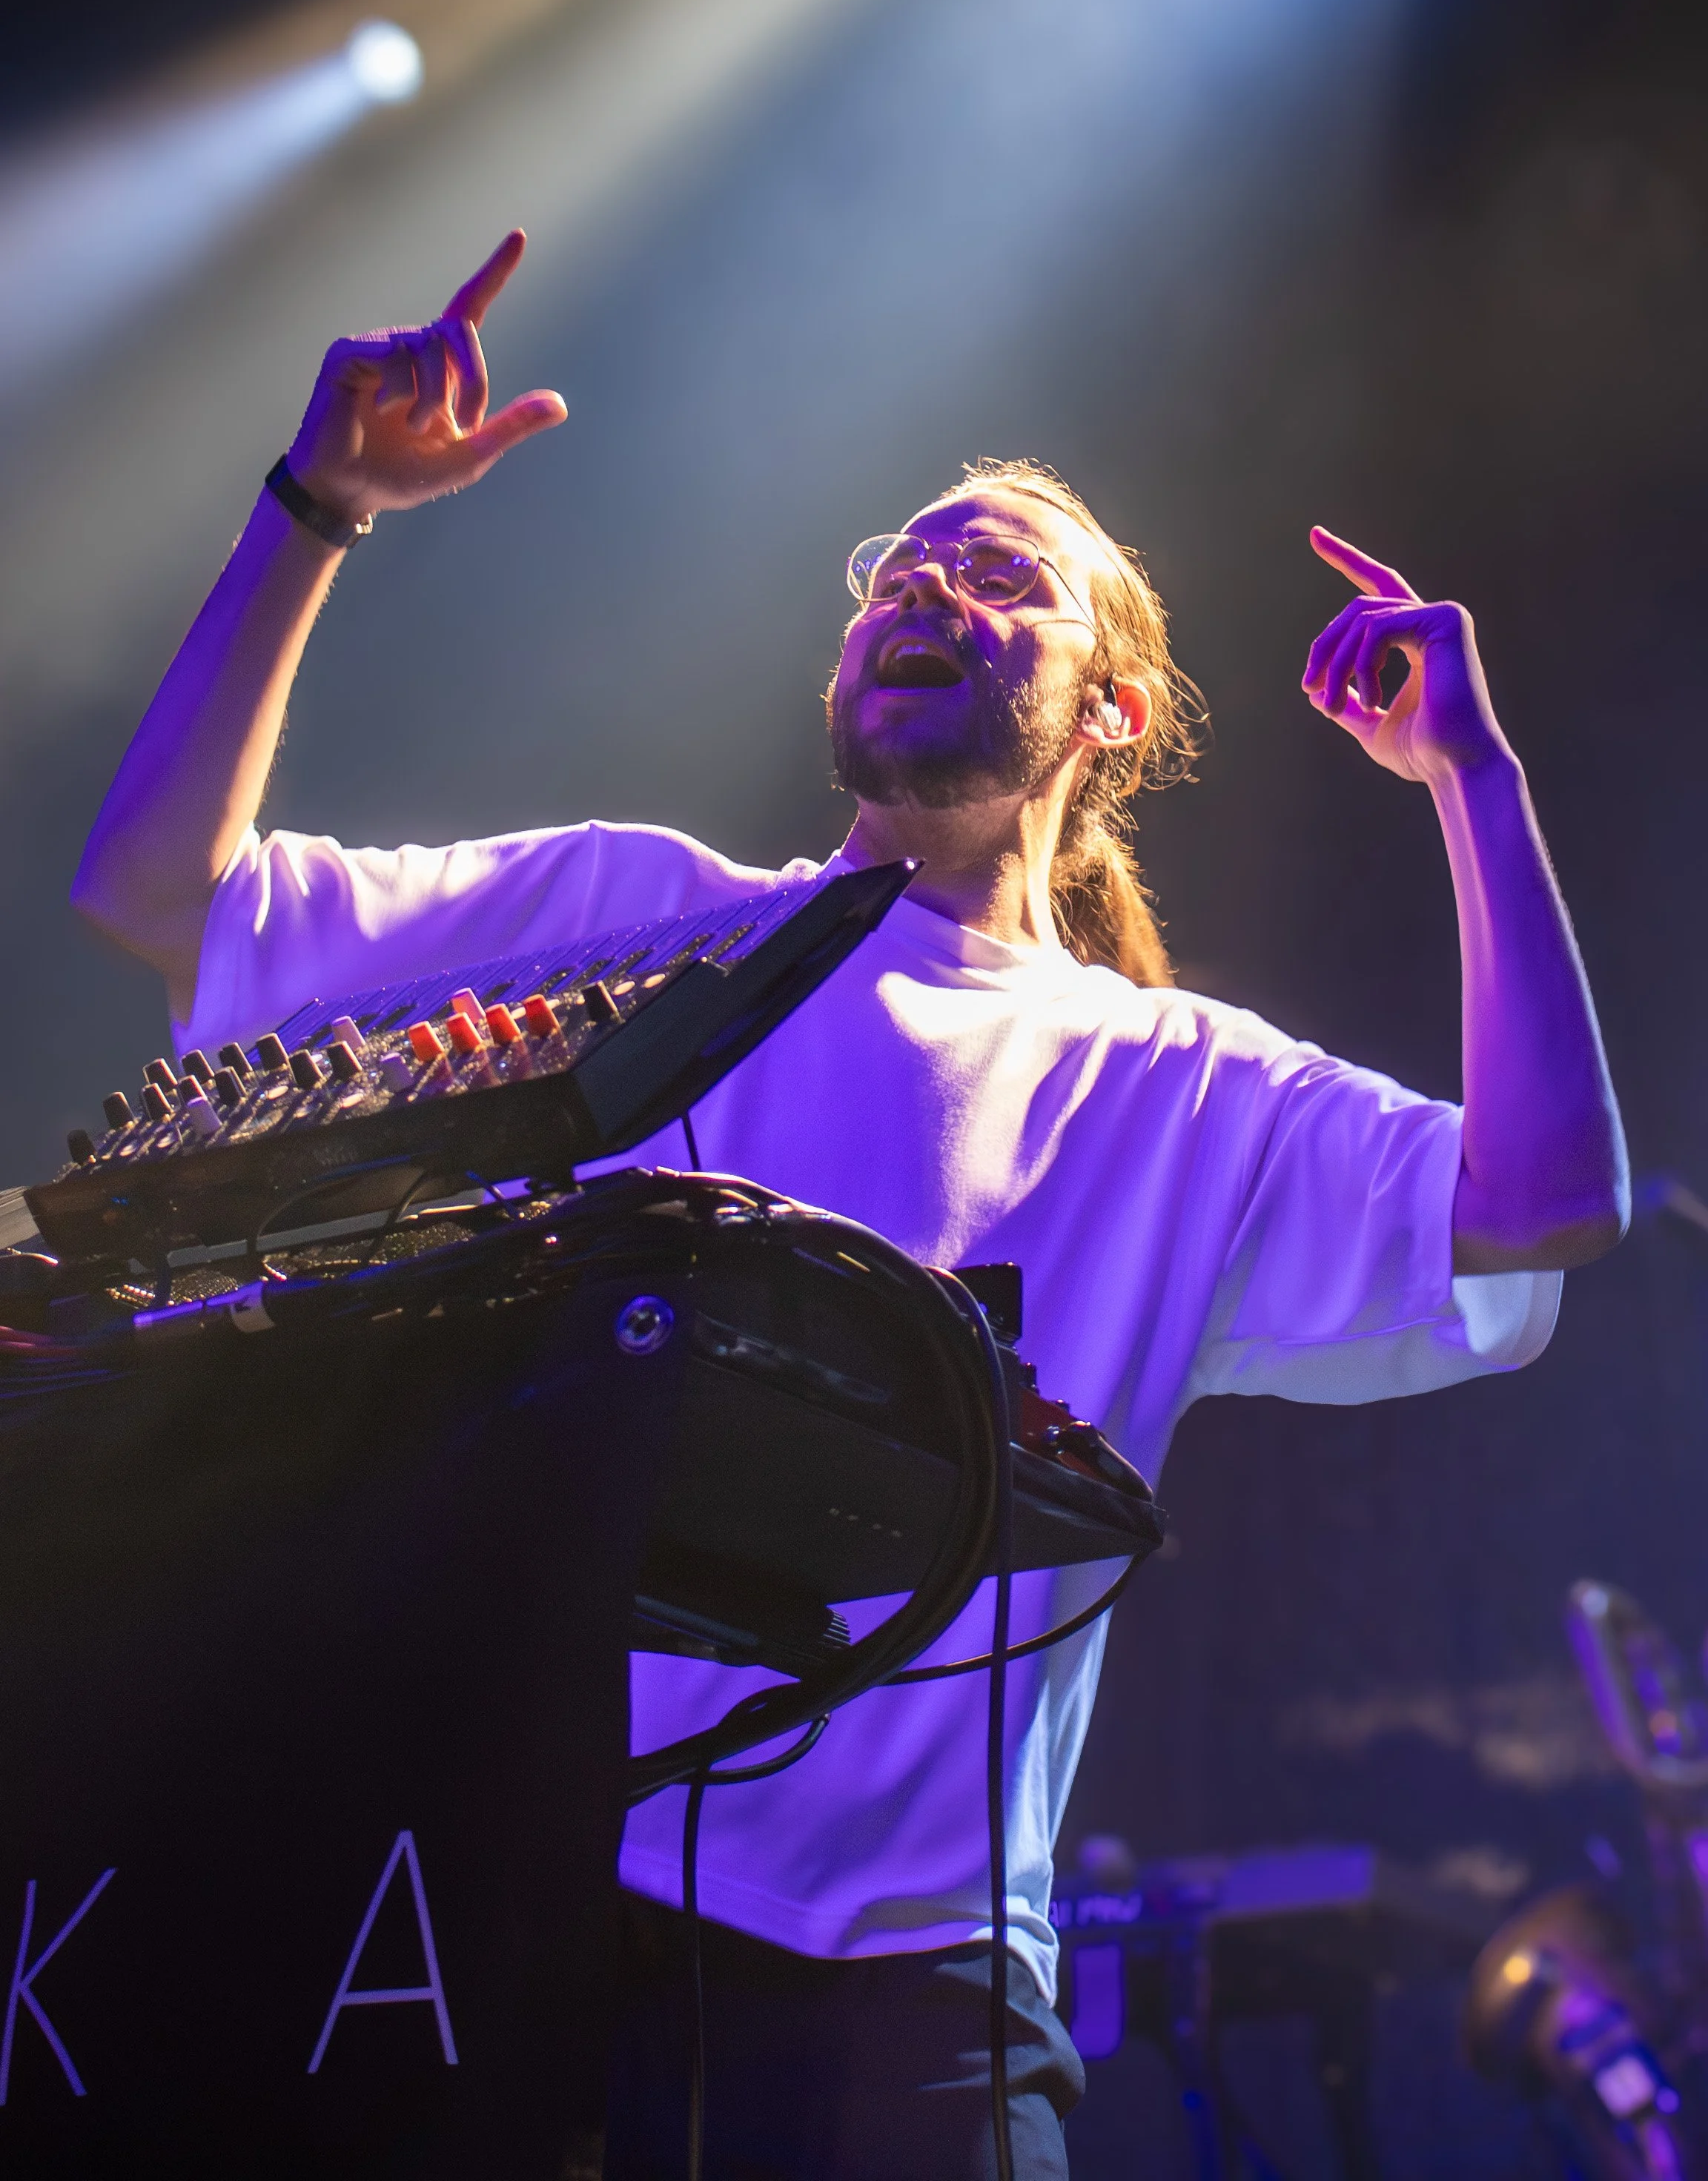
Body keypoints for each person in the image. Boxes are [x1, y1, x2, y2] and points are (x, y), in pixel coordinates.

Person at [73, 231, 1628, 2179]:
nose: (926, 583)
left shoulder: (1184, 1088)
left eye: (1000, 574)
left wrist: (1471, 774)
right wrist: (316, 512)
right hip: (517, 1919)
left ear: (1110, 713)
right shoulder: (627, 917)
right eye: (900, 564)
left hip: (910, 2009)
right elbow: (158, 896)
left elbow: (1553, 1199)